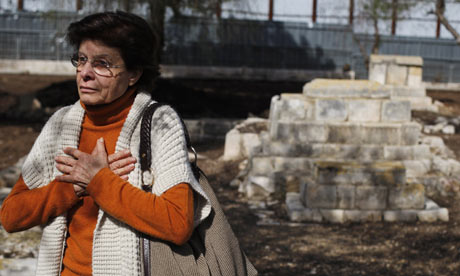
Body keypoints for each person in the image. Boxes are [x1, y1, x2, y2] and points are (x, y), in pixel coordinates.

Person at [0, 11, 212, 276]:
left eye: (102, 64)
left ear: (133, 73)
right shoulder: (61, 124)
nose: (85, 73)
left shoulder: (159, 125)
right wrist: (74, 186)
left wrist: (99, 181)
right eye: (82, 59)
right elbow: (10, 216)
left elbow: (178, 223)